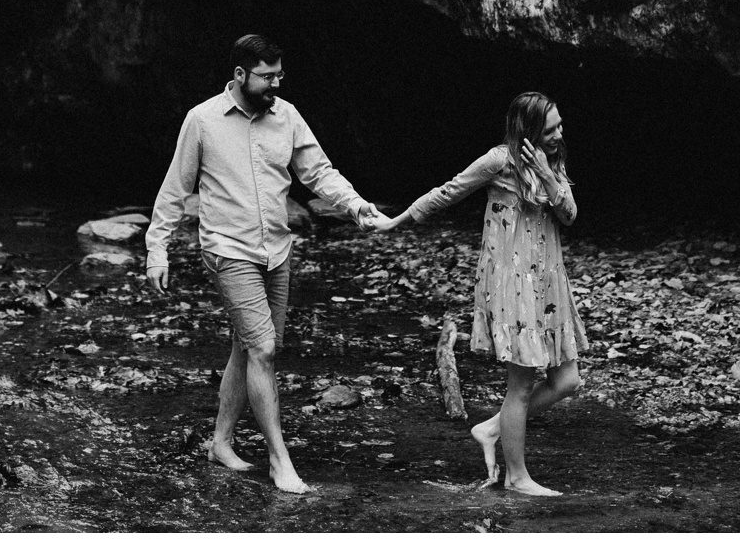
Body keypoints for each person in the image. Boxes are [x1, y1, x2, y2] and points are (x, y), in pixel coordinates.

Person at [144, 34, 389, 494]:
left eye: (279, 75)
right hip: (228, 249)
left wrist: (357, 206)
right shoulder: (202, 120)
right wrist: (157, 248)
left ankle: (220, 442)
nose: (275, 84)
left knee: (247, 346)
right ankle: (280, 460)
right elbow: (176, 187)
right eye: (266, 76)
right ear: (240, 75)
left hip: (276, 249)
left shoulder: (287, 115)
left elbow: (318, 172)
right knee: (263, 349)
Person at [374, 91, 584, 495]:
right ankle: (516, 477)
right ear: (528, 131)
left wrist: (547, 174)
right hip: (514, 285)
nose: (559, 134)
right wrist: (396, 221)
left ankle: (490, 429)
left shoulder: (551, 161)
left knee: (568, 380)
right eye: (550, 129)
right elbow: (449, 190)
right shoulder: (499, 160)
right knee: (520, 386)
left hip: (548, 282)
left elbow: (570, 215)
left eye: (560, 126)